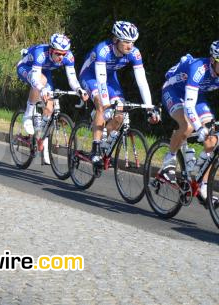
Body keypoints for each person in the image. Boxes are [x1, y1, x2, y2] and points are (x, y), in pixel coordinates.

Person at [79, 21, 158, 163]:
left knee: (120, 114)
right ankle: (95, 148)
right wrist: (105, 105)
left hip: (110, 78)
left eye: (133, 42)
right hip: (91, 76)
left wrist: (149, 108)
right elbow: (101, 81)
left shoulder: (134, 53)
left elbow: (142, 81)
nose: (130, 46)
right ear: (116, 39)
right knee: (101, 104)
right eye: (126, 42)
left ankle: (105, 146)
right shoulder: (103, 50)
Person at [159, 41, 219, 200]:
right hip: (174, 91)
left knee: (212, 141)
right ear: (213, 61)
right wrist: (200, 128)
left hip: (197, 96)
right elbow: (189, 106)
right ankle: (169, 160)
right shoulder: (199, 69)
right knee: (188, 126)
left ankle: (202, 185)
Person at [15, 34, 88, 154]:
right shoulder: (40, 53)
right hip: (26, 68)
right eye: (58, 54)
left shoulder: (68, 57)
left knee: (49, 107)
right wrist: (42, 89)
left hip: (45, 71)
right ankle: (28, 115)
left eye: (63, 54)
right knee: (41, 82)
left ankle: (39, 135)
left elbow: (72, 80)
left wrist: (80, 90)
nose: (61, 57)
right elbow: (35, 79)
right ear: (51, 50)